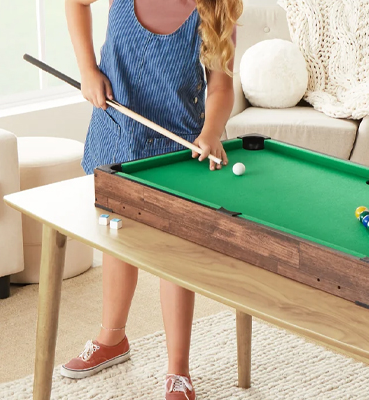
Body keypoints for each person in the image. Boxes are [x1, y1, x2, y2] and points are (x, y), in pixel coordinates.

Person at [62, 0, 241, 398]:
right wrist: (88, 69)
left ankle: (178, 369)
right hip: (118, 133)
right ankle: (112, 339)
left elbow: (222, 88)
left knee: (172, 255)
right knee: (117, 238)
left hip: (176, 147)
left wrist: (211, 131)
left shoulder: (215, 9)